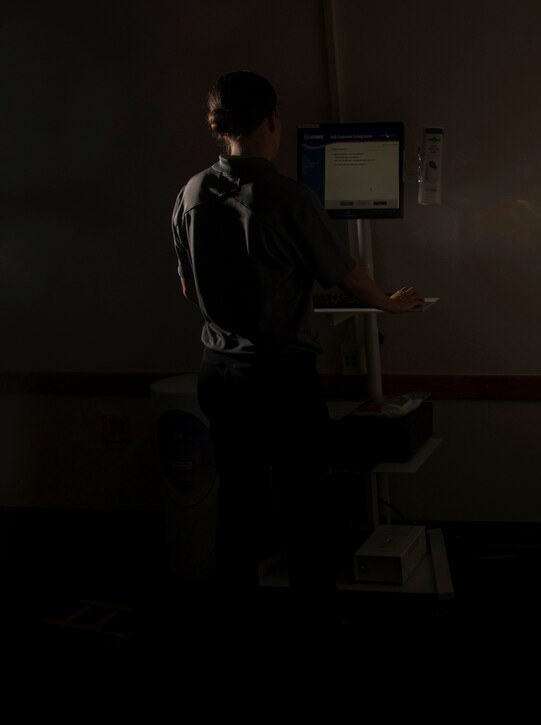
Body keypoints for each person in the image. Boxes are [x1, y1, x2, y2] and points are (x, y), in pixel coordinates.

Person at [171, 71, 423, 625]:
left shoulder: (190, 193)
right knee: (306, 504)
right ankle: (313, 624)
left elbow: (190, 288)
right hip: (281, 377)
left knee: (238, 501)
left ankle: (234, 616)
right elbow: (348, 276)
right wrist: (388, 303)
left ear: (221, 128)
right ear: (272, 122)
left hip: (219, 372)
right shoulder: (289, 197)